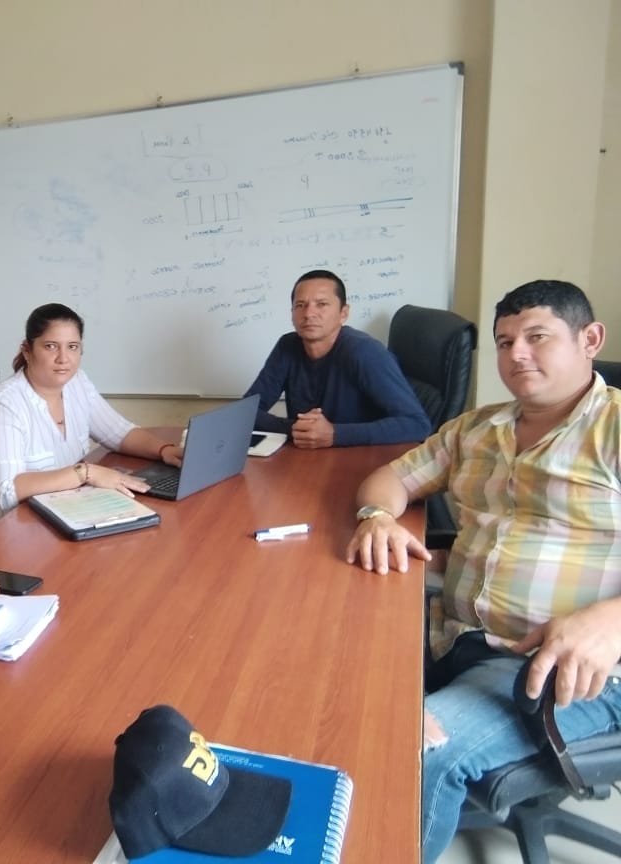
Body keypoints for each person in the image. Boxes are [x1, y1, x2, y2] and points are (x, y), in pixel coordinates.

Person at [343, 280, 621, 862]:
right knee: (320, 681)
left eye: (537, 337)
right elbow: (389, 479)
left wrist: (612, 619)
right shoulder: (476, 429)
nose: (517, 354)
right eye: (505, 341)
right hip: (454, 631)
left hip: (556, 668)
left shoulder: (614, 428)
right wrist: (377, 518)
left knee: (412, 752)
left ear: (590, 339)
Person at [0, 303, 184, 535]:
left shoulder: (77, 383)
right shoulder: (3, 404)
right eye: (50, 346)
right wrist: (85, 473)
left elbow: (119, 432)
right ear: (27, 350)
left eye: (72, 347)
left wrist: (164, 450)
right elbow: (8, 491)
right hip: (2, 532)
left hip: (62, 515)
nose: (63, 358)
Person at [244, 269, 432, 448]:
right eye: (300, 305)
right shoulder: (287, 346)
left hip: (362, 457)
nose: (308, 314)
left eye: (321, 304)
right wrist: (297, 429)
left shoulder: (366, 352)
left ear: (344, 313)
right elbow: (245, 412)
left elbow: (417, 425)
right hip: (309, 458)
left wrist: (335, 434)